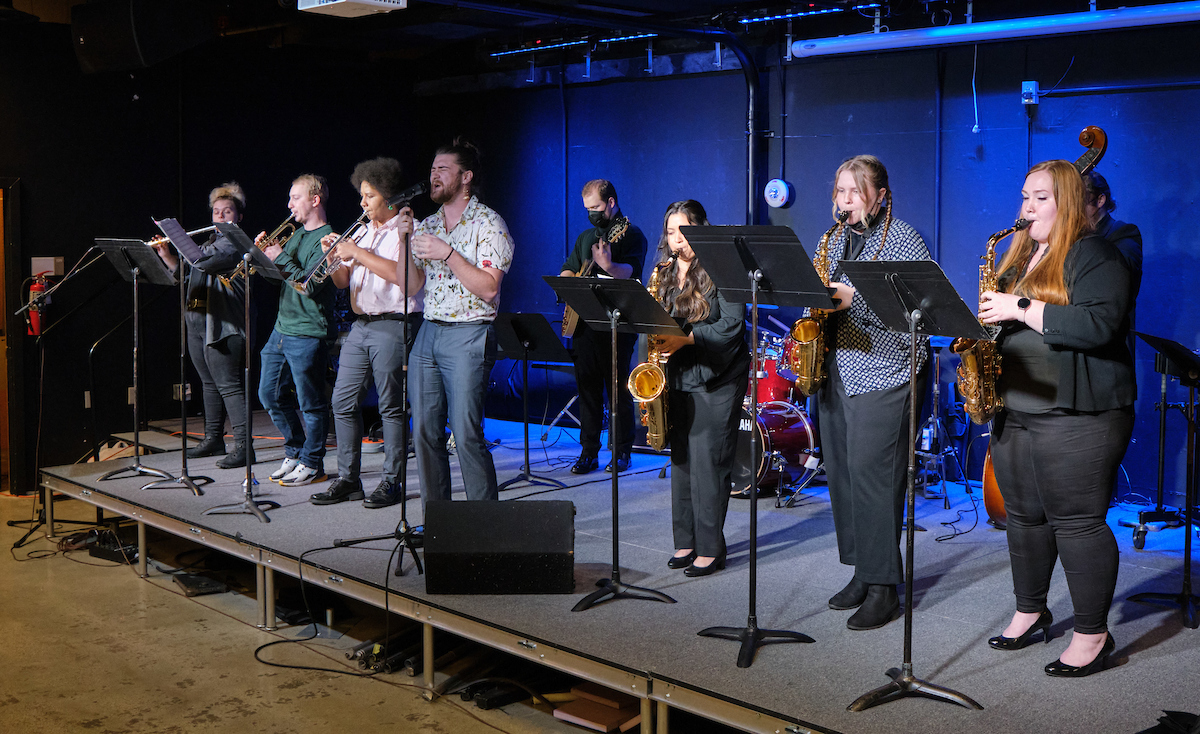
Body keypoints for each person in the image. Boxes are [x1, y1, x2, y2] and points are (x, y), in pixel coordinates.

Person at [979, 159, 1134, 678]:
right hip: (1017, 404)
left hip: (1078, 411)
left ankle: (1092, 633)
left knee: (1077, 522)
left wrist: (1018, 306)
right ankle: (1031, 609)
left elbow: (1099, 325)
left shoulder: (1095, 253)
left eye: (1039, 198)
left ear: (1067, 200)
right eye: (1024, 196)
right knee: (1022, 516)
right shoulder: (1020, 253)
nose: (1025, 208)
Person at [815, 155, 930, 630]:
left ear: (880, 195)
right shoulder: (836, 238)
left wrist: (849, 298)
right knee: (842, 473)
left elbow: (914, 311)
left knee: (874, 476)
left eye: (854, 192)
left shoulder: (903, 238)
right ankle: (864, 571)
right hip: (840, 366)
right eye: (839, 191)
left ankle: (885, 588)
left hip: (888, 370)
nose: (844, 201)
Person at [308, 157, 424, 509]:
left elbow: (406, 280)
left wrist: (357, 252)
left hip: (394, 323)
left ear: (388, 197)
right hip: (361, 325)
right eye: (362, 195)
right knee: (341, 402)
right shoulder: (361, 230)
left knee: (391, 407)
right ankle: (348, 478)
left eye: (369, 196)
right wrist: (333, 260)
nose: (362, 203)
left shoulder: (408, 231)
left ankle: (392, 482)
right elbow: (344, 281)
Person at [406, 138, 514, 505]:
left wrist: (448, 253)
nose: (434, 176)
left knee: (466, 434)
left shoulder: (489, 223)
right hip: (429, 331)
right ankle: (438, 522)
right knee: (423, 431)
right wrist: (406, 239)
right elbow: (411, 285)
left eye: (443, 169)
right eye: (432, 169)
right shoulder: (430, 223)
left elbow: (488, 288)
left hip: (469, 332)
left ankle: (485, 526)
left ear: (465, 177)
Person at [655, 200, 749, 578]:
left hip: (717, 375)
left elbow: (731, 326)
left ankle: (711, 548)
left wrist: (686, 339)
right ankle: (686, 541)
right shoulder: (662, 272)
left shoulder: (723, 267)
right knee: (680, 460)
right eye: (670, 232)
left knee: (708, 462)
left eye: (682, 231)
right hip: (676, 374)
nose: (675, 240)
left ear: (699, 229)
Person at [149, 182, 254, 470]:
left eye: (227, 211)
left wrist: (183, 245)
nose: (220, 217)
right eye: (216, 212)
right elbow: (183, 275)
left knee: (228, 385)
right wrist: (167, 254)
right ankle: (213, 439)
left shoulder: (234, 243)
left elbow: (204, 262)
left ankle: (245, 446)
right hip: (197, 320)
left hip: (224, 323)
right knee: (208, 384)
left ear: (238, 217)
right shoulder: (207, 242)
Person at [559, 179, 647, 474]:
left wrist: (608, 266)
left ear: (611, 202)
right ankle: (588, 452)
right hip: (585, 323)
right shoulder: (586, 237)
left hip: (618, 323)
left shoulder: (631, 234)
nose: (591, 213)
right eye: (587, 209)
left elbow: (631, 271)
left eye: (595, 207)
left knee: (617, 389)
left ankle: (622, 451)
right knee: (587, 390)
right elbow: (567, 269)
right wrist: (572, 279)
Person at [256, 174, 336, 487]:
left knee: (311, 403)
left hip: (308, 330)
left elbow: (310, 285)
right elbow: (280, 279)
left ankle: (313, 463)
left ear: (315, 200)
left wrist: (281, 256)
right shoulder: (296, 235)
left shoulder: (329, 239)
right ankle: (295, 449)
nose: (290, 205)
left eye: (296, 198)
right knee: (269, 393)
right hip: (282, 327)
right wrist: (266, 257)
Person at [1083, 170, 1142, 363]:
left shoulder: (1124, 232)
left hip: (1108, 353)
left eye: (1080, 198)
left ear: (1100, 200)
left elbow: (1121, 279)